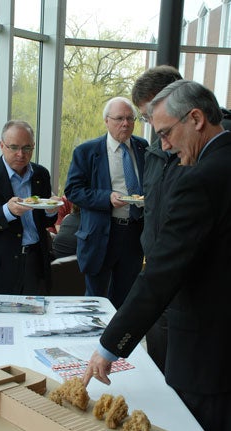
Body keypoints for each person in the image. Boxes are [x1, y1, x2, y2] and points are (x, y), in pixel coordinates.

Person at [83, 80, 231, 431]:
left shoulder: (201, 179)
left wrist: (108, 346)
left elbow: (163, 273)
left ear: (196, 118)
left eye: (165, 133)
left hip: (208, 355)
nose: (163, 146)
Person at [64, 97, 149, 309]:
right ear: (106, 121)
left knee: (124, 300)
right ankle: (91, 340)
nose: (126, 123)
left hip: (134, 234)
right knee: (94, 301)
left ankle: (115, 342)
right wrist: (106, 198)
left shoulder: (142, 147)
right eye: (119, 118)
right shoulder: (86, 152)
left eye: (130, 118)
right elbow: (73, 191)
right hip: (101, 234)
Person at [0, 120, 58, 296]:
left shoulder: (41, 174)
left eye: (27, 148)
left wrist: (50, 210)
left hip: (35, 262)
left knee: (34, 321)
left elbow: (44, 221)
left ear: (33, 146)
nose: (20, 154)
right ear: (2, 145)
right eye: (14, 147)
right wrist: (7, 212)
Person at [131, 65, 184, 373]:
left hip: (192, 287)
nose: (151, 127)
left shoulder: (212, 147)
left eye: (150, 115)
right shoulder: (154, 150)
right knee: (157, 364)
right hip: (157, 273)